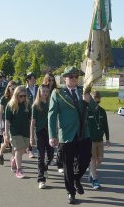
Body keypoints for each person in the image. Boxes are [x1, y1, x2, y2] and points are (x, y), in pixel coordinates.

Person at [48, 66, 94, 204]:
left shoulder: (84, 91)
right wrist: (52, 135)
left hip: (83, 132)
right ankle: (71, 193)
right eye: (71, 77)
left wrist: (89, 101)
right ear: (65, 78)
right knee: (67, 164)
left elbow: (95, 109)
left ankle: (76, 178)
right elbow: (51, 115)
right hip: (66, 133)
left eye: (76, 77)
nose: (74, 79)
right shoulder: (58, 93)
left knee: (86, 159)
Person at [4, 86, 31, 179]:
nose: (23, 97)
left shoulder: (27, 104)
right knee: (19, 150)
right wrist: (6, 133)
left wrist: (32, 133)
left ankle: (14, 160)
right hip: (15, 132)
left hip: (26, 131)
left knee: (23, 150)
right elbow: (7, 120)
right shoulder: (10, 105)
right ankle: (19, 170)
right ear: (16, 95)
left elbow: (31, 119)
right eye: (21, 96)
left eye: (24, 96)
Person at [31, 84, 54, 189]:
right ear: (39, 93)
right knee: (41, 156)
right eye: (43, 91)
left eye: (46, 91)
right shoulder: (36, 105)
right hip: (40, 132)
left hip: (50, 132)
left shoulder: (51, 103)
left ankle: (45, 168)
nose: (45, 93)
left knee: (50, 155)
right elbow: (33, 122)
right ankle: (41, 179)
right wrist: (31, 137)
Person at [87, 90, 110, 190]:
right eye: (93, 101)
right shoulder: (87, 111)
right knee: (92, 160)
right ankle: (95, 180)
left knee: (99, 160)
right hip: (90, 140)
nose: (95, 104)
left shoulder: (102, 111)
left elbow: (105, 126)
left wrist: (108, 139)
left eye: (97, 101)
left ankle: (92, 174)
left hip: (100, 140)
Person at [42, 72, 61, 170]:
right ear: (46, 80)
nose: (51, 82)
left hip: (54, 117)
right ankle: (46, 157)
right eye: (49, 80)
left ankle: (51, 157)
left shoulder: (56, 91)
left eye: (53, 80)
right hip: (43, 117)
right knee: (44, 139)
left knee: (53, 136)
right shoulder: (42, 89)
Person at [0, 80, 17, 167]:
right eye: (12, 88)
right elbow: (0, 113)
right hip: (6, 123)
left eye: (15, 87)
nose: (13, 89)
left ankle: (13, 160)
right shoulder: (4, 99)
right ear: (8, 88)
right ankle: (0, 153)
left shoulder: (18, 98)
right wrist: (0, 125)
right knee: (6, 142)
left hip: (15, 124)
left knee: (14, 143)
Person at [26, 71, 38, 159]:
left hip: (38, 112)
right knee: (29, 131)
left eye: (35, 79)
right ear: (28, 80)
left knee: (38, 130)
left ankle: (38, 147)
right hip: (28, 113)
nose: (34, 80)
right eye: (32, 79)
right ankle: (30, 150)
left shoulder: (38, 88)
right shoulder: (24, 90)